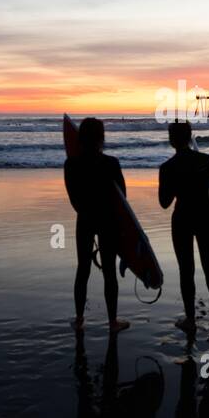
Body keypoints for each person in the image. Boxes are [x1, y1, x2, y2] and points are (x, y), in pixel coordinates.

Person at [158, 122, 209, 334]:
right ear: (190, 137)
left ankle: (190, 319)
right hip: (206, 217)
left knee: (186, 269)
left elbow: (164, 202)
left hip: (182, 219)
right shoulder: (206, 161)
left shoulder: (167, 167)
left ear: (171, 140)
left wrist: (173, 183)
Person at [64, 117, 129, 332]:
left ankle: (80, 319)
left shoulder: (71, 164)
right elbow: (122, 199)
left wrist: (87, 212)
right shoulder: (111, 163)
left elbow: (73, 199)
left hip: (84, 219)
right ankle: (112, 322)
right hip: (108, 220)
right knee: (109, 271)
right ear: (101, 137)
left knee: (82, 269)